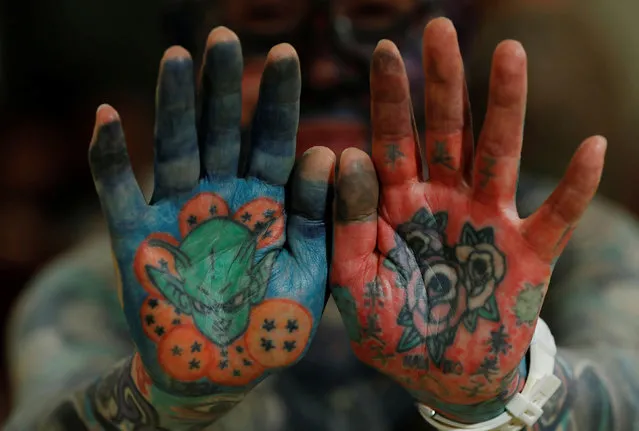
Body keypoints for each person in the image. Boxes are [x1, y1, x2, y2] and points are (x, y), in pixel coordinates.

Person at [4, 1, 639, 430]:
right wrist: (157, 395)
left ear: (457, 35)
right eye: (266, 19)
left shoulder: (557, 247)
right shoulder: (134, 273)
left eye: (372, 16)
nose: (328, 63)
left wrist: (501, 394)